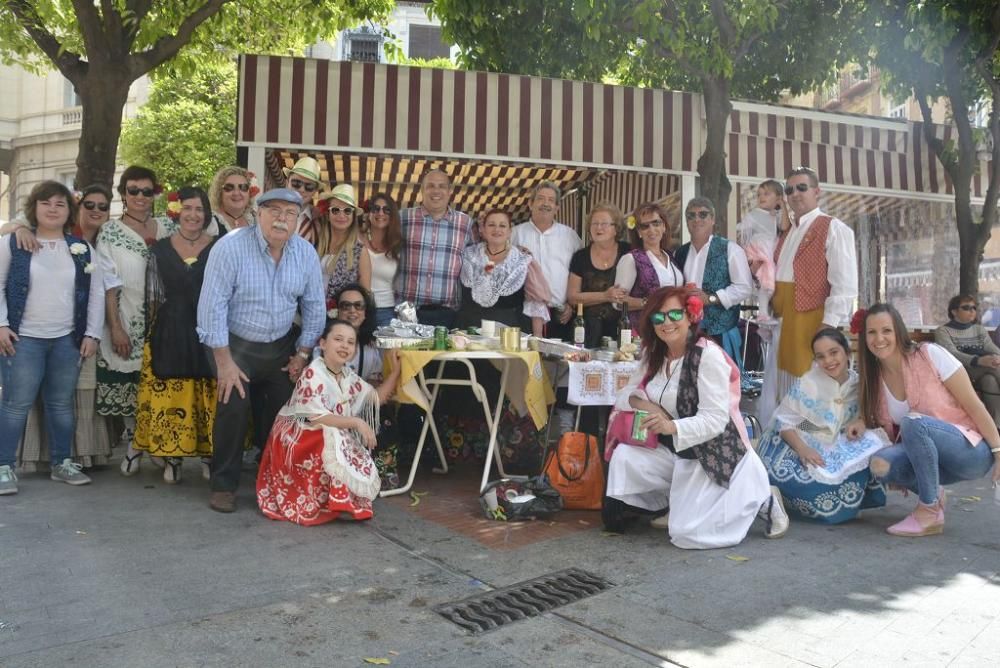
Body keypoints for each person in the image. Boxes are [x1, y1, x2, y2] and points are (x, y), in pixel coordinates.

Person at [602, 285, 787, 548]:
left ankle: (760, 496)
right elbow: (624, 395)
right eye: (658, 317)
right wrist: (643, 403)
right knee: (625, 458)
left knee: (687, 535)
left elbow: (715, 420)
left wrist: (672, 426)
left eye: (675, 315)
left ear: (691, 316)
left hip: (716, 452)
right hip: (678, 450)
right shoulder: (652, 354)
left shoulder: (707, 356)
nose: (666, 322)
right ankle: (677, 503)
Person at [196, 187, 326, 513]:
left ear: (298, 220)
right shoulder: (230, 248)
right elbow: (211, 307)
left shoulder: (305, 253)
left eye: (290, 214)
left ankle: (273, 478)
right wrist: (224, 363)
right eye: (275, 211)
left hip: (280, 344)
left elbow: (314, 308)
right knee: (234, 403)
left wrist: (302, 354)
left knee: (285, 409)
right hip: (233, 344)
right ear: (258, 213)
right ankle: (224, 484)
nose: (282, 219)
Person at [851, 303, 1000, 537]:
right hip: (929, 460)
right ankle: (934, 493)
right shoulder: (872, 377)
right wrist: (861, 421)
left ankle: (929, 511)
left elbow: (974, 405)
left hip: (970, 452)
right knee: (880, 463)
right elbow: (881, 424)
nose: (879, 338)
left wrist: (998, 450)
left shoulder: (930, 354)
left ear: (898, 331)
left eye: (886, 330)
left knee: (914, 422)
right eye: (872, 332)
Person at [0, 181, 105, 495]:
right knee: (15, 405)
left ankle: (63, 463)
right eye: (46, 202)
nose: (52, 209)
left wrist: (92, 333)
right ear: (34, 207)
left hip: (66, 340)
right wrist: (2, 324)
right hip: (23, 339)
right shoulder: (13, 243)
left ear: (68, 211)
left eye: (60, 204)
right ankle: (4, 466)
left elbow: (96, 292)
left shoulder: (81, 248)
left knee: (60, 404)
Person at [256, 319, 400, 525]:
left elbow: (375, 398)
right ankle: (325, 501)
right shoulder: (313, 373)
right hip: (294, 432)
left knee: (339, 435)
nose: (344, 346)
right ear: (323, 343)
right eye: (338, 339)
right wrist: (356, 423)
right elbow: (314, 417)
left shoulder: (348, 376)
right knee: (333, 434)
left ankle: (336, 500)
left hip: (320, 430)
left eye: (350, 342)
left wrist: (395, 372)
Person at [131, 187, 218, 484]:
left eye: (199, 209)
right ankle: (172, 456)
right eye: (188, 208)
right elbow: (152, 295)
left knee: (207, 392)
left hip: (208, 327)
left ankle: (209, 456)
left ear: (206, 214)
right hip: (170, 326)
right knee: (173, 394)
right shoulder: (160, 249)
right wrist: (150, 336)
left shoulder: (219, 247)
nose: (193, 214)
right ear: (177, 211)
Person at [757, 328, 886, 523]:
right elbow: (787, 423)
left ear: (847, 352)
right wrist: (805, 448)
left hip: (838, 440)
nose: (828, 361)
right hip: (798, 437)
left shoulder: (859, 384)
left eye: (834, 352)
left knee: (872, 447)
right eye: (821, 356)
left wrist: (861, 422)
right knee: (810, 488)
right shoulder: (809, 383)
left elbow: (871, 415)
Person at [97, 166, 176, 457]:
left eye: (147, 191)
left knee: (162, 381)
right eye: (133, 191)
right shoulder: (110, 232)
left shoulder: (168, 226)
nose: (140, 197)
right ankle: (134, 442)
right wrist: (115, 326)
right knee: (130, 382)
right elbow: (108, 285)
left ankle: (159, 446)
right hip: (127, 316)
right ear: (123, 194)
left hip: (166, 320)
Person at [771, 166, 857, 408]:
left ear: (817, 192)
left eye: (802, 187)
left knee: (815, 398)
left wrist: (827, 327)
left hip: (812, 322)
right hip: (784, 324)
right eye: (789, 190)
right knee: (787, 395)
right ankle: (791, 441)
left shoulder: (833, 228)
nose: (795, 194)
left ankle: (815, 441)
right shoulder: (787, 233)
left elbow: (845, 284)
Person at [332, 283, 403, 489]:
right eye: (346, 306)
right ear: (337, 311)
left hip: (360, 406)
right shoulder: (327, 343)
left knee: (384, 415)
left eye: (358, 306)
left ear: (365, 313)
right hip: (333, 411)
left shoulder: (372, 347)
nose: (352, 311)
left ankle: (382, 470)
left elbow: (376, 387)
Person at [674, 197, 752, 367]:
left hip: (719, 332)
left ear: (713, 219)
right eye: (691, 215)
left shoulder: (730, 249)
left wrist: (710, 298)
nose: (697, 219)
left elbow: (745, 288)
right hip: (686, 330)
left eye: (703, 214)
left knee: (719, 385)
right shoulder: (680, 252)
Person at [395, 169, 476, 328]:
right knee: (407, 354)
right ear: (422, 190)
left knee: (444, 354)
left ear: (449, 191)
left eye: (442, 186)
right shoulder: (402, 218)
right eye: (430, 186)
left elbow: (479, 256)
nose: (436, 191)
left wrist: (511, 248)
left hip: (448, 314)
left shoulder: (465, 223)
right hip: (407, 312)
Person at [456, 209, 550, 334]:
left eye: (502, 225)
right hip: (469, 331)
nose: (497, 229)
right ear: (482, 229)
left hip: (509, 335)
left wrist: (537, 341)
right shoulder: (467, 255)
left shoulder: (522, 260)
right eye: (491, 225)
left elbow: (535, 305)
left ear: (510, 231)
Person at [510, 182, 582, 340]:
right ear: (530, 203)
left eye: (550, 200)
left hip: (562, 315)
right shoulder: (514, 235)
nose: (545, 203)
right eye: (541, 199)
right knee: (528, 362)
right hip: (524, 315)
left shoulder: (570, 236)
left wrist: (572, 305)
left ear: (557, 207)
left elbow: (579, 273)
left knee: (560, 363)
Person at [566, 203, 630, 348]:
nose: (598, 228)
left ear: (616, 228)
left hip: (622, 330)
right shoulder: (580, 257)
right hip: (586, 332)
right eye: (594, 223)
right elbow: (572, 298)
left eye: (604, 224)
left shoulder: (629, 252)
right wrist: (605, 296)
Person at [614, 202, 684, 331]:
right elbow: (617, 302)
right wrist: (648, 302)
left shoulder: (670, 256)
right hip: (644, 332)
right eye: (645, 226)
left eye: (656, 223)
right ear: (639, 232)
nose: (651, 229)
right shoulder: (630, 259)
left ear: (664, 227)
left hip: (672, 329)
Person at [935, 294, 1000, 425]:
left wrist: (997, 357)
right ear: (954, 311)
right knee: (994, 368)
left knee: (990, 381)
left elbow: (991, 347)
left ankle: (996, 426)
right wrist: (978, 361)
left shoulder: (979, 329)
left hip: (983, 370)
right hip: (959, 372)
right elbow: (951, 354)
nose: (972, 311)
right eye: (966, 307)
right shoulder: (943, 331)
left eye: (974, 308)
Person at [736, 179, 786, 321]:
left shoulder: (777, 216)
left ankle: (769, 311)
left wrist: (782, 206)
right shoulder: (754, 215)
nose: (761, 197)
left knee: (771, 282)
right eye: (759, 195)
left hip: (771, 252)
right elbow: (743, 234)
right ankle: (763, 312)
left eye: (766, 194)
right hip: (760, 251)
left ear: (778, 198)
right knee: (766, 282)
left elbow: (783, 227)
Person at [317, 184, 371, 299]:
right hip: (310, 312)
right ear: (328, 215)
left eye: (347, 211)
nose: (341, 215)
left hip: (341, 315)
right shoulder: (316, 244)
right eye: (335, 210)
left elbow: (365, 295)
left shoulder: (360, 251)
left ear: (353, 216)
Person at [363, 193, 402, 327]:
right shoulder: (357, 238)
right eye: (376, 208)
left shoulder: (398, 245)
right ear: (369, 213)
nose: (380, 213)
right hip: (358, 309)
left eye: (387, 210)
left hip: (386, 311)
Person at [284, 156, 325, 248]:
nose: (302, 190)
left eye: (309, 186)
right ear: (287, 183)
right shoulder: (269, 211)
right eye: (296, 183)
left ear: (315, 191)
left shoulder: (320, 222)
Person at [207, 166, 258, 235]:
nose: (236, 193)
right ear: (219, 192)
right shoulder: (210, 223)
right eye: (229, 188)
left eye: (243, 187)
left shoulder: (255, 221)